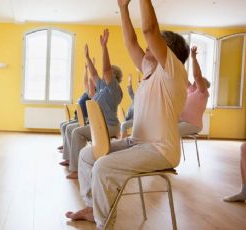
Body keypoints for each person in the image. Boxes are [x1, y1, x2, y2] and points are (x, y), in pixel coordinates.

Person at [66, 0, 190, 228]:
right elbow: (131, 42)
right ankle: (94, 208)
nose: (146, 48)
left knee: (103, 166)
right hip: (137, 143)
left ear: (167, 51)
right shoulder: (150, 70)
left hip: (160, 150)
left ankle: (105, 223)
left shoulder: (173, 72)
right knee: (86, 155)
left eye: (153, 45)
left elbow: (149, 30)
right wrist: (123, 8)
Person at [63, 29, 123, 179]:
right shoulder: (103, 87)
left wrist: (104, 47)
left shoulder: (114, 89)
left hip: (109, 127)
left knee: (77, 132)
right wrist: (87, 58)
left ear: (113, 78)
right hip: (98, 125)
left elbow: (106, 69)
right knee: (74, 130)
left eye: (106, 75)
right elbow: (94, 74)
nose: (102, 76)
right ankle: (72, 160)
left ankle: (76, 169)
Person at [59, 60, 95, 165]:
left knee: (68, 127)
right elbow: (85, 81)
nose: (87, 84)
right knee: (64, 125)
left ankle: (69, 155)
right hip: (78, 119)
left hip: (83, 120)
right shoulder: (86, 93)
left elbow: (89, 80)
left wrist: (91, 68)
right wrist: (86, 69)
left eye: (90, 84)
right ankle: (67, 149)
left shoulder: (91, 94)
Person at [179, 46, 211, 136]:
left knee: (169, 132)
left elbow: (197, 75)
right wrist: (180, 61)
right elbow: (182, 75)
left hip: (193, 125)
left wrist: (194, 58)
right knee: (162, 125)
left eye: (200, 81)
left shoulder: (202, 93)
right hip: (182, 120)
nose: (197, 81)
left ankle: (165, 149)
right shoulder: (191, 90)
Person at [120, 74, 136, 139]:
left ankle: (122, 140)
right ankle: (124, 138)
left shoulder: (142, 101)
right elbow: (130, 92)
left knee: (123, 125)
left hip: (136, 119)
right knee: (122, 124)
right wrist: (129, 81)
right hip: (129, 118)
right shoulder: (135, 98)